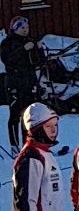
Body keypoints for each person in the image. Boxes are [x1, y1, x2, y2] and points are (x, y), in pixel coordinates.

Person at [2, 18, 39, 151]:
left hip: (28, 81)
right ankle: (14, 144)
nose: (25, 30)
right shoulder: (7, 43)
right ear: (15, 28)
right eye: (22, 28)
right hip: (14, 82)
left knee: (27, 114)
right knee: (15, 114)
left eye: (26, 27)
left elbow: (38, 61)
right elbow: (8, 60)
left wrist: (38, 49)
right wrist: (22, 49)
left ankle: (27, 142)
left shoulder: (30, 41)